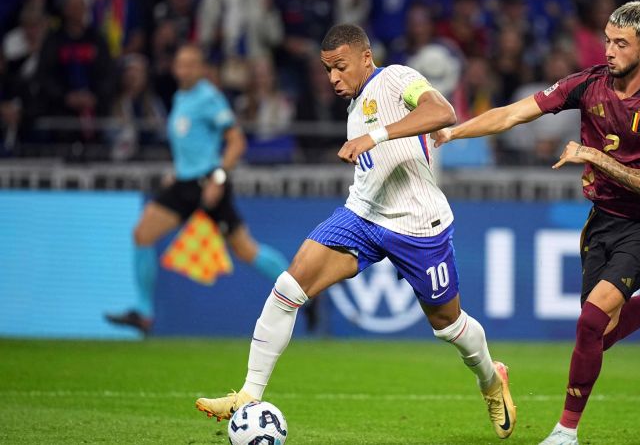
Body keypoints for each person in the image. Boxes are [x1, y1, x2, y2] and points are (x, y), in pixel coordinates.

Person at [194, 24, 517, 440]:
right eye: (328, 70)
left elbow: (443, 112)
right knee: (288, 287)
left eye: (340, 67)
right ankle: (248, 395)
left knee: (448, 325)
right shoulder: (355, 102)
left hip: (418, 225)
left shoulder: (396, 78)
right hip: (362, 215)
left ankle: (491, 379)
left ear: (366, 57)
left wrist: (375, 135)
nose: (333, 78)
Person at [431, 1, 640, 444]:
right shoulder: (588, 84)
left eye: (621, 44)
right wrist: (453, 132)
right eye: (607, 40)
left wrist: (592, 156)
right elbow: (514, 113)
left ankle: (565, 432)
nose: (609, 51)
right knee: (598, 336)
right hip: (601, 220)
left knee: (589, 323)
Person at [104, 45, 289, 334]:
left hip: (207, 184)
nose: (184, 69)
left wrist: (218, 177)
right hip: (184, 183)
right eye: (180, 64)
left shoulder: (209, 98)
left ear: (202, 68)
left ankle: (299, 290)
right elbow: (192, 144)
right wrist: (176, 171)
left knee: (245, 250)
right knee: (142, 234)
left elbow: (236, 141)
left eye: (191, 64)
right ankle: (143, 313)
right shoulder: (180, 97)